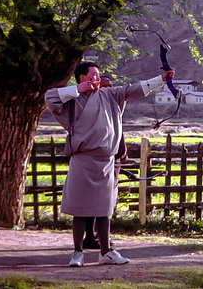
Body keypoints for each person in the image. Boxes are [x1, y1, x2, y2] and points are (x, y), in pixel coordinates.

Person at [45, 62, 173, 267]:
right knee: (79, 208)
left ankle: (106, 252)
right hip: (82, 159)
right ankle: (77, 253)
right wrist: (78, 90)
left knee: (103, 210)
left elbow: (134, 89)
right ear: (82, 78)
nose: (97, 78)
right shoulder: (72, 99)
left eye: (98, 74)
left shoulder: (110, 95)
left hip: (106, 161)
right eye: (93, 75)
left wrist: (162, 79)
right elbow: (49, 97)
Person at [82, 76, 126, 251]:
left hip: (113, 156)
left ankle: (100, 236)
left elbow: (118, 128)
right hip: (97, 156)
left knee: (106, 198)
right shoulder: (91, 106)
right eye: (103, 86)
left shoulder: (114, 104)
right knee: (92, 197)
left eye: (110, 87)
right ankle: (89, 236)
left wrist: (121, 148)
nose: (107, 89)